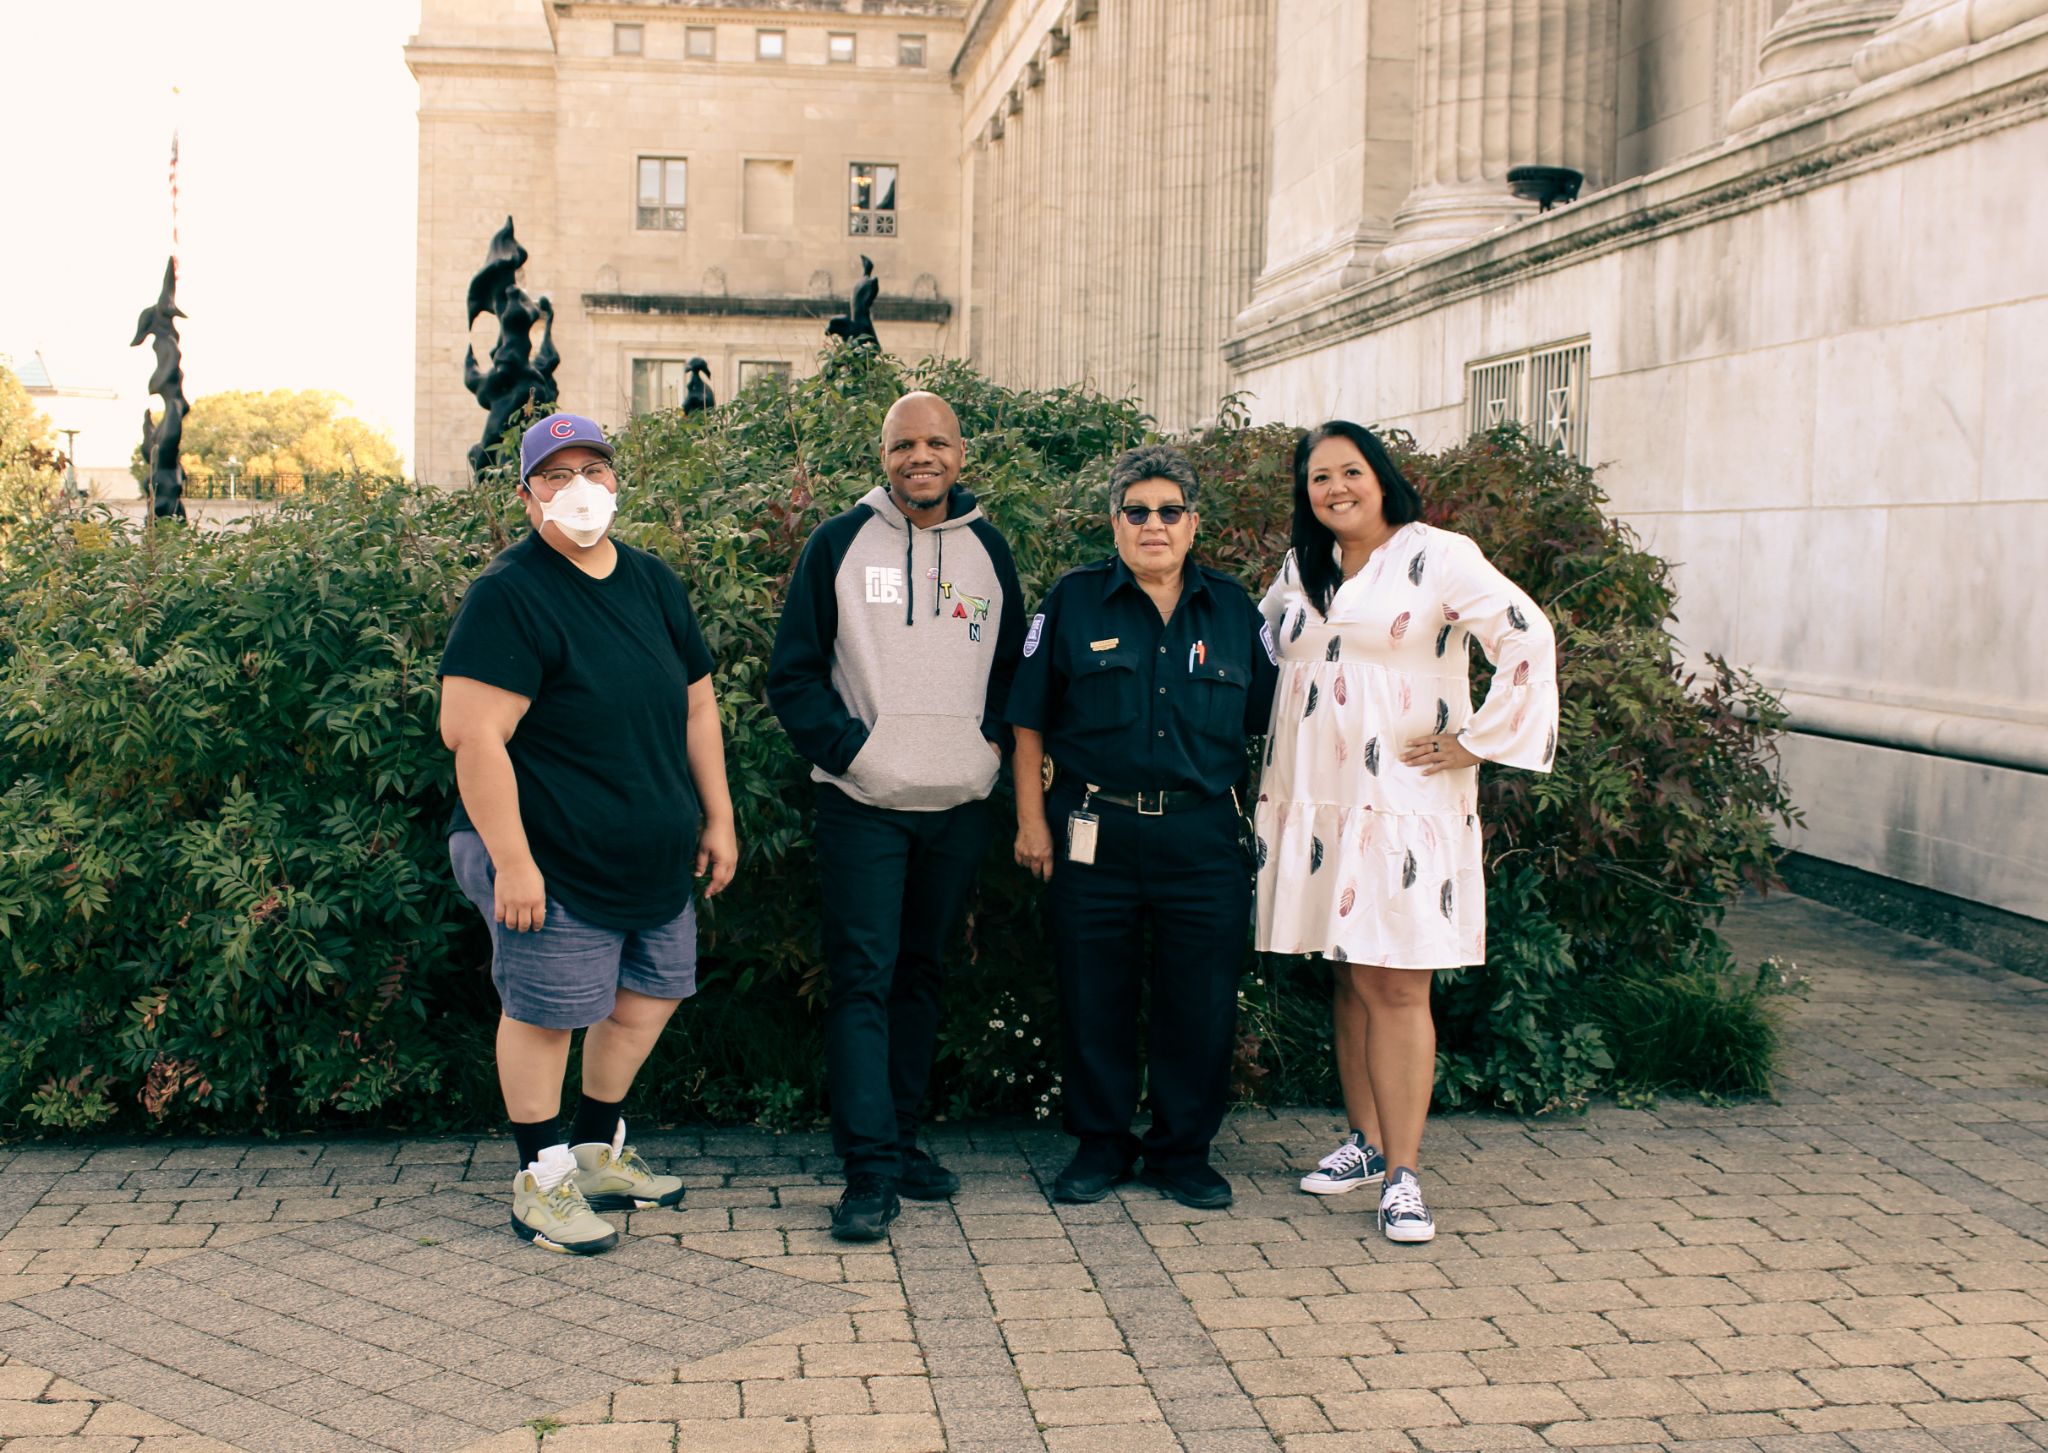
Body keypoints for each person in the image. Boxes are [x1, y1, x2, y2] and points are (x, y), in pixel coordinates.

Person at [439, 412, 739, 1255]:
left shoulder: (651, 582)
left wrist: (717, 814)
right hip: (548, 856)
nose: (579, 489)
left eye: (593, 469)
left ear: (616, 480)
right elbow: (473, 734)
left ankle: (597, 1152)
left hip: (650, 852)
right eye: (556, 474)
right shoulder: (511, 593)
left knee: (648, 998)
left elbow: (697, 702)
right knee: (546, 1015)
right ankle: (541, 1180)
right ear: (527, 495)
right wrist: (513, 862)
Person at [1255, 421, 1557, 1244]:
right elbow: (1265, 647)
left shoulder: (1440, 554)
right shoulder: (1303, 566)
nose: (1335, 489)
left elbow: (1526, 635)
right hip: (1319, 796)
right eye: (1319, 478)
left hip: (1402, 802)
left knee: (1396, 982)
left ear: (1382, 477)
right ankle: (1364, 1141)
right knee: (1349, 972)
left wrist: (1477, 739)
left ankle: (1404, 1176)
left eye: (1350, 472)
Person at [767, 391, 1024, 1242]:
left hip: (955, 808)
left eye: (937, 442)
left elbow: (1009, 677)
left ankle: (905, 1142)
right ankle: (868, 1172)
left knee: (922, 976)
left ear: (960, 452)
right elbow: (794, 677)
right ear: (883, 455)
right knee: (864, 981)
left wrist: (985, 752)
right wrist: (858, 755)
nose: (922, 456)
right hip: (863, 808)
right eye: (904, 443)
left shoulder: (989, 550)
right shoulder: (836, 544)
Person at [1008, 445, 1279, 1210]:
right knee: (1095, 993)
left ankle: (1181, 1152)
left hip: (1201, 840)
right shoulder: (1072, 600)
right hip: (1094, 832)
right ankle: (1100, 1145)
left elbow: (1271, 724)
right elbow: (1027, 722)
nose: (1152, 525)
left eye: (1168, 511)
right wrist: (1032, 822)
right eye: (1136, 511)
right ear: (1115, 521)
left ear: (1193, 523)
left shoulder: (1233, 611)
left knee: (1201, 1000)